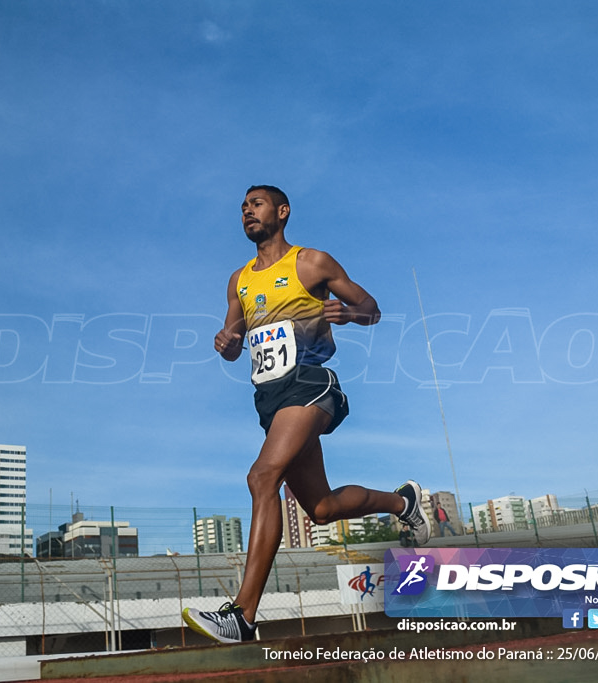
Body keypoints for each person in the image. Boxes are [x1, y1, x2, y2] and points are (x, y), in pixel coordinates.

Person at [182, 185, 431, 644]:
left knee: (262, 477)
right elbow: (233, 344)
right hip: (271, 399)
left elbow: (371, 309)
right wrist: (227, 343)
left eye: (255, 205)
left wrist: (348, 315)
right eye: (242, 208)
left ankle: (243, 615)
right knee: (320, 508)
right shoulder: (238, 279)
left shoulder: (311, 262)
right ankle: (405, 502)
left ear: (282, 211)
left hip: (311, 384)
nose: (247, 213)